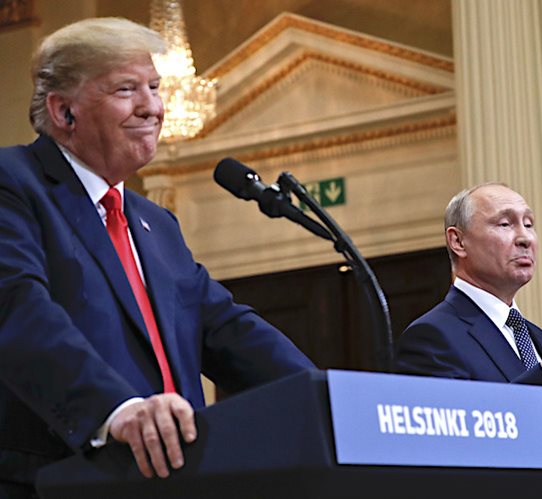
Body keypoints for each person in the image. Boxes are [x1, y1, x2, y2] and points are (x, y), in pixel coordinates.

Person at [0, 17, 315, 497]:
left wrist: (326, 395)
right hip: (60, 479)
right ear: (64, 111)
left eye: (154, 86)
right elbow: (18, 309)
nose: (152, 107)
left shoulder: (156, 224)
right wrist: (116, 410)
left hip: (174, 478)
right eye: (126, 89)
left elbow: (225, 327)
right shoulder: (13, 183)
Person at [395, 182, 542, 458]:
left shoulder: (536, 337)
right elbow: (452, 443)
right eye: (505, 224)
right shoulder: (430, 336)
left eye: (529, 224)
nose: (525, 238)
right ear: (458, 241)